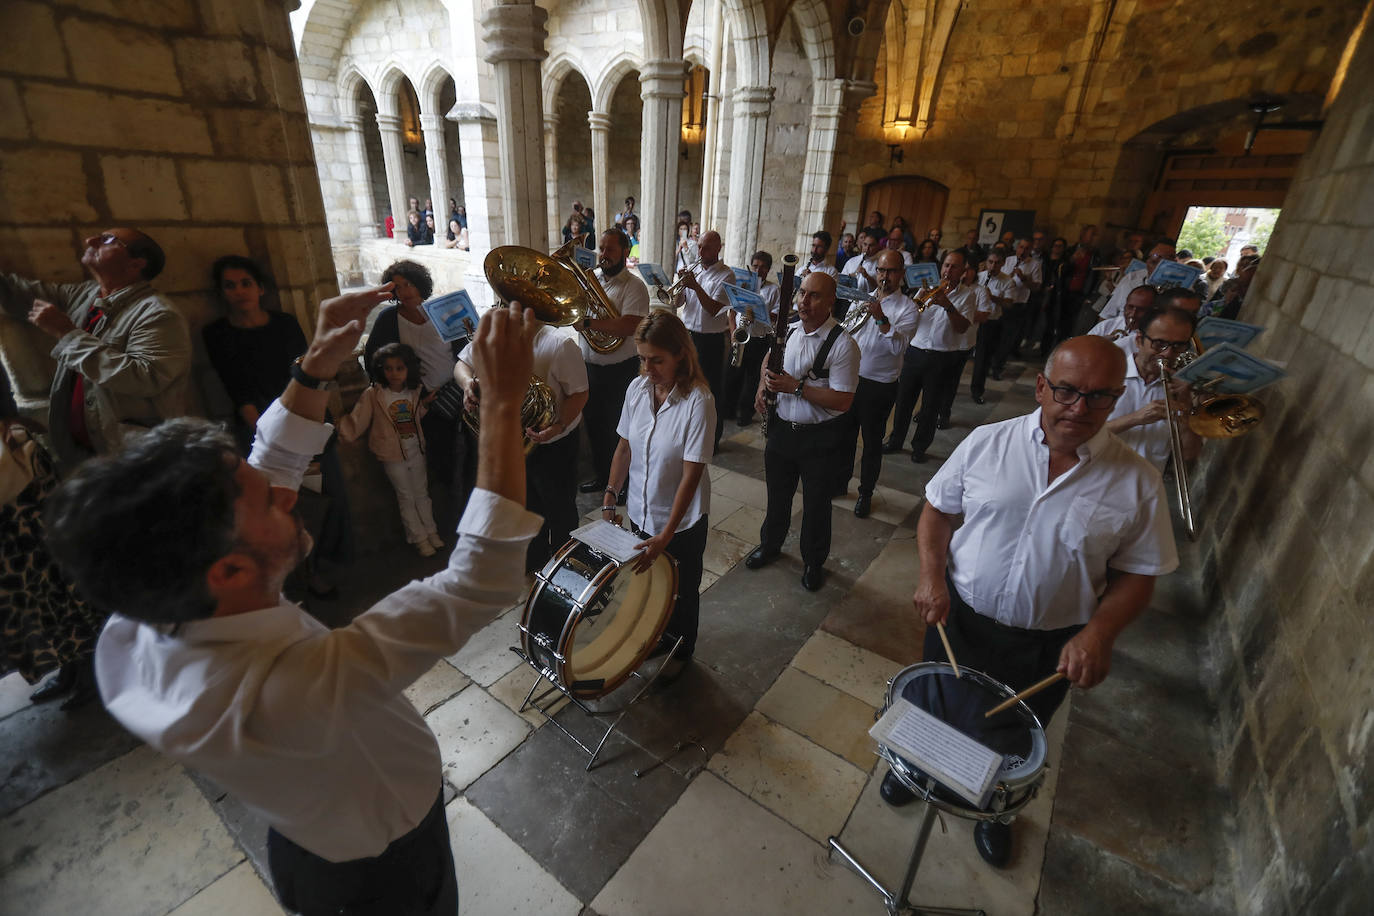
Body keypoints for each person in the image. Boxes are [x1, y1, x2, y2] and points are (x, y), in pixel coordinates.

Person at [46, 288, 543, 916]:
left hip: (307, 834)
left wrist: (313, 366)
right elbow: (480, 580)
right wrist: (502, 401)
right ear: (228, 569)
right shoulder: (280, 694)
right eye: (268, 504)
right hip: (380, 869)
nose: (289, 494)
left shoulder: (145, 610)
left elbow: (270, 461)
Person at [886, 335, 1178, 869]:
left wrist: (1099, 633)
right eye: (1067, 391)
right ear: (1042, 387)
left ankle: (997, 810)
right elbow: (937, 511)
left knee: (1014, 735)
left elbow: (1139, 574)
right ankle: (912, 768)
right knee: (932, 704)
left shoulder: (1137, 482)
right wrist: (931, 576)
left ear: (1118, 399)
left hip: (1048, 643)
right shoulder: (987, 443)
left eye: (1098, 396)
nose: (1079, 408)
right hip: (961, 619)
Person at [204, 255, 352, 598]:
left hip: (307, 421)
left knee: (330, 498)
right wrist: (266, 430)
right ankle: (286, 579)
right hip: (259, 430)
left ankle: (324, 570)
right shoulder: (216, 333)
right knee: (277, 510)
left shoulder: (284, 324)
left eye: (246, 283)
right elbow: (236, 388)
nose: (239, 291)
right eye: (230, 285)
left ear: (260, 288)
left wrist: (311, 425)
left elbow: (309, 373)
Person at [0, 227, 191, 471]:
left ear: (136, 265)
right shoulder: (86, 295)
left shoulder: (158, 314)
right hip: (87, 455)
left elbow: (145, 378)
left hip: (139, 458)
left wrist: (66, 333)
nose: (91, 240)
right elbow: (18, 295)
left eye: (108, 240)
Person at [604, 311, 715, 679]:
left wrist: (666, 534)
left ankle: (682, 651)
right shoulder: (636, 390)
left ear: (680, 354)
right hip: (640, 510)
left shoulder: (698, 401)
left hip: (680, 522)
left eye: (657, 360)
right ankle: (656, 636)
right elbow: (624, 449)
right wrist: (610, 495)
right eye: (642, 358)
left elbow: (691, 474)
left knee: (682, 593)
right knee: (650, 587)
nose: (647, 368)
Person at [744, 272, 858, 592]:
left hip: (820, 437)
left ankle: (813, 561)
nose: (804, 301)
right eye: (802, 293)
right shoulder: (790, 329)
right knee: (777, 495)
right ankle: (770, 545)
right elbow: (771, 359)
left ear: (831, 301)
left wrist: (796, 388)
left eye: (814, 295)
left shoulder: (843, 344)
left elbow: (844, 400)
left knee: (817, 503)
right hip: (783, 430)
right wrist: (761, 388)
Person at [455, 317, 588, 572]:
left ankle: (565, 567)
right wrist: (467, 384)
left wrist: (557, 426)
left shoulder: (558, 344)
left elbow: (580, 393)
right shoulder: (494, 331)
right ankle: (534, 561)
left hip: (554, 443)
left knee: (559, 508)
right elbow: (463, 363)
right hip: (512, 439)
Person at [0, 405, 103, 710]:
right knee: (32, 584)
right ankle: (71, 665)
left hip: (16, 467)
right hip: (10, 484)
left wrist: (6, 417)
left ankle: (93, 664)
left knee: (55, 572)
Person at [364, 261, 469, 523]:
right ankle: (453, 517)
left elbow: (465, 350)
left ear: (419, 283)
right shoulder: (389, 318)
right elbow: (374, 360)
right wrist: (409, 394)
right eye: (397, 287)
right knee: (442, 461)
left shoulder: (440, 310)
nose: (404, 291)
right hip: (425, 401)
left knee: (470, 457)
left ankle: (472, 512)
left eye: (407, 284)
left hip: (458, 391)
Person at [836, 249, 919, 518]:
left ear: (901, 274)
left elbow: (898, 349)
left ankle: (866, 493)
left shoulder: (908, 308)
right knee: (845, 437)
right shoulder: (864, 298)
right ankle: (839, 482)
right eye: (881, 271)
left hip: (880, 384)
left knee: (872, 442)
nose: (885, 276)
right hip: (850, 378)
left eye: (891, 271)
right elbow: (847, 331)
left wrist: (881, 318)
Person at [885, 250, 990, 462]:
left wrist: (947, 305)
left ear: (962, 271)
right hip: (915, 352)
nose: (948, 270)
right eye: (946, 265)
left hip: (943, 356)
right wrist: (923, 299)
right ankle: (895, 440)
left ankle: (919, 447)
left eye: (954, 267)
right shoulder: (925, 289)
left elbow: (961, 328)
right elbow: (912, 316)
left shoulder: (968, 295)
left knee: (931, 406)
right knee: (903, 401)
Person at [339, 343, 441, 556]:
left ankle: (431, 532)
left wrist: (424, 406)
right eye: (388, 368)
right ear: (380, 369)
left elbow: (412, 419)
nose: (394, 373)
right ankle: (419, 538)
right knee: (406, 496)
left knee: (422, 494)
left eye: (399, 368)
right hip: (391, 454)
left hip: (416, 449)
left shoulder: (413, 391)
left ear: (408, 369)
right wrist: (341, 428)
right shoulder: (374, 394)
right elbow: (359, 419)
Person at [575, 228, 652, 497]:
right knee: (595, 427)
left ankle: (624, 484)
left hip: (620, 371)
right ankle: (601, 478)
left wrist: (589, 323)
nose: (604, 255)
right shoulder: (591, 279)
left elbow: (629, 325)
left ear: (625, 252)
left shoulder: (634, 286)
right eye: (602, 249)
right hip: (589, 367)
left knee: (619, 432)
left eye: (610, 250)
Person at [1106, 305, 1202, 472]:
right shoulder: (1104, 373)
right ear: (1138, 340)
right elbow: (1074, 436)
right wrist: (1135, 418)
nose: (1167, 354)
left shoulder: (1181, 389)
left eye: (1178, 346)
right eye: (1159, 344)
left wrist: (1186, 409)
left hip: (1141, 491)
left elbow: (1188, 457)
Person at [672, 229, 734, 450]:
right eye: (699, 246)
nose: (701, 250)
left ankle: (712, 441)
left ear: (718, 248)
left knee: (710, 391)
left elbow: (713, 309)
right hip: (688, 336)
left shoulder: (726, 275)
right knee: (685, 385)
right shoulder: (692, 270)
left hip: (711, 340)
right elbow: (678, 303)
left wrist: (694, 286)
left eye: (706, 247)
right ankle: (688, 435)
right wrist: (679, 287)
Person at [722, 250, 780, 426]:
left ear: (768, 269)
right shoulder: (742, 287)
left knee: (752, 379)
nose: (758, 270)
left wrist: (759, 313)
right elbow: (732, 313)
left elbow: (776, 316)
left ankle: (745, 414)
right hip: (740, 337)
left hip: (759, 339)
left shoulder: (773, 289)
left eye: (762, 267)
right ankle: (728, 410)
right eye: (755, 266)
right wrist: (733, 334)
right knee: (732, 375)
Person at [971, 249, 1017, 401]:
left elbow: (1009, 304)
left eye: (997, 263)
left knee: (983, 359)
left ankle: (977, 391)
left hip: (991, 322)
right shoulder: (978, 277)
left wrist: (991, 297)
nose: (993, 266)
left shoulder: (1008, 281)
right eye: (990, 262)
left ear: (1003, 264)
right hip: (972, 320)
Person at [1098, 240, 1176, 319]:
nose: (1160, 267)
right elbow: (1107, 314)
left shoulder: (1179, 290)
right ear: (1147, 262)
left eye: (1168, 262)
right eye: (1155, 262)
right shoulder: (1131, 279)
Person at [1088, 284, 1156, 341]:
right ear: (1125, 305)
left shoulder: (1153, 336)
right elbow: (1082, 346)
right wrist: (1099, 342)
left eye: (1141, 310)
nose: (1132, 314)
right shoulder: (1107, 325)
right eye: (1130, 307)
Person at [840, 229, 882, 296]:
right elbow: (841, 282)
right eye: (865, 244)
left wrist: (867, 276)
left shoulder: (880, 264)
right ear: (862, 245)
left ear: (877, 246)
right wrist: (850, 277)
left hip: (867, 301)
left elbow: (880, 287)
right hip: (849, 299)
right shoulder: (852, 261)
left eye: (871, 245)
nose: (867, 248)